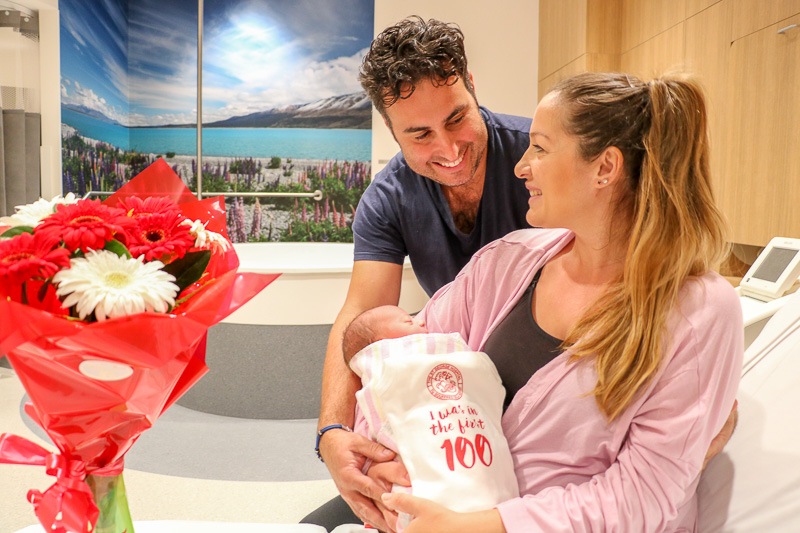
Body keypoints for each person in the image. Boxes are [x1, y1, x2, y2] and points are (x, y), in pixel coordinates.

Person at [370, 72, 744, 532]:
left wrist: (485, 526)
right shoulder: (505, 263)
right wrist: (385, 459)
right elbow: (408, 368)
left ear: (605, 168)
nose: (521, 165)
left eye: (541, 148)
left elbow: (643, 497)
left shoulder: (699, 312)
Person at [311, 16, 531, 529]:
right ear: (392, 133)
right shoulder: (388, 199)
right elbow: (361, 316)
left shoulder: (536, 158)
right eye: (420, 134)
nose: (449, 150)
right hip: (458, 398)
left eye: (457, 118)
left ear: (472, 87)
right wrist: (332, 435)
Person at [343, 305, 519, 532]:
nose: (422, 323)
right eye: (409, 322)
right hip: (418, 491)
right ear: (382, 343)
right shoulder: (388, 371)